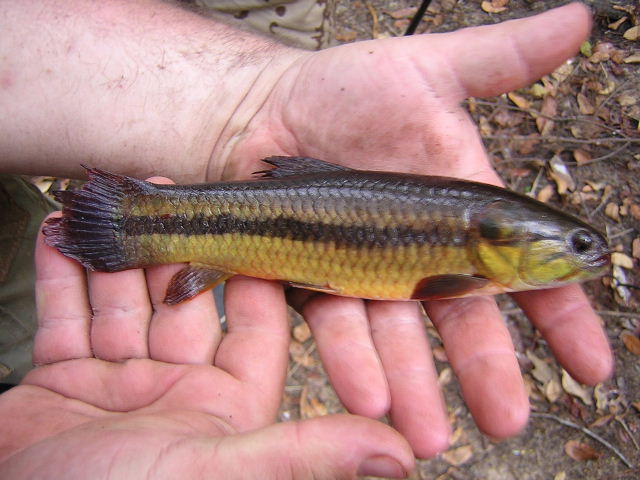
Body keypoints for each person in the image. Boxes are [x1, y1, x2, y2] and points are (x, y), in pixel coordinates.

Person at [0, 1, 612, 478]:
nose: (588, 256)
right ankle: (139, 225)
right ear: (506, 238)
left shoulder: (480, 255)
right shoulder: (472, 270)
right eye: (578, 245)